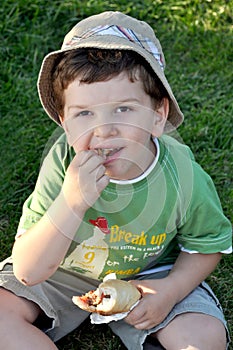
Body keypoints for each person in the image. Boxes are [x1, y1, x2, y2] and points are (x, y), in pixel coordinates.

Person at [0, 11, 232, 350]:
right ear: (65, 123)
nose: (103, 130)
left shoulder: (182, 174)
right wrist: (72, 201)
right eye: (84, 114)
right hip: (63, 268)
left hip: (151, 273)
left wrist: (171, 290)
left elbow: (207, 244)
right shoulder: (63, 164)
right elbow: (28, 271)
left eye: (123, 109)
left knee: (203, 339)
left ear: (157, 116)